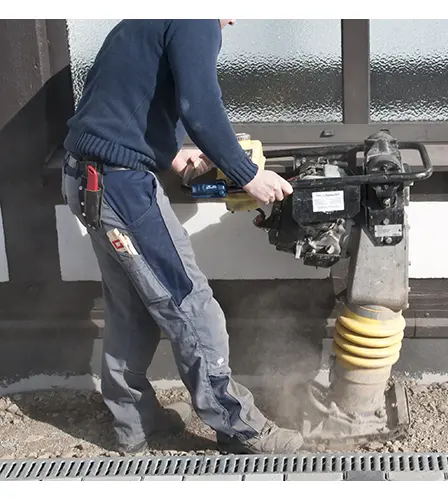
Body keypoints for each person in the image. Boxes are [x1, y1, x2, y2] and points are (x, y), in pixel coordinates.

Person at [61, 19, 302, 454]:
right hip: (121, 187)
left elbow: (127, 94)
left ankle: (134, 421)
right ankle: (239, 427)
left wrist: (170, 152)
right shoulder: (195, 17)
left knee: (131, 308)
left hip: (85, 176)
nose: (234, 19)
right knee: (190, 303)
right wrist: (248, 174)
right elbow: (200, 105)